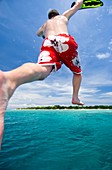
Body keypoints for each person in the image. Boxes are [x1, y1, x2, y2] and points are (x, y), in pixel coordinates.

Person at [0, 0, 84, 148]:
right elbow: (77, 5)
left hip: (48, 42)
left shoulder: (45, 25)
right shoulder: (63, 17)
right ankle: (75, 97)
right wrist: (78, 3)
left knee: (43, 70)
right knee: (77, 73)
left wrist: (44, 34)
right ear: (57, 15)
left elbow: (38, 33)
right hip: (64, 41)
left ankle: (10, 79)